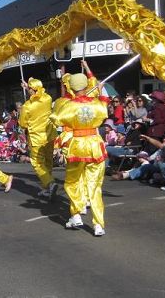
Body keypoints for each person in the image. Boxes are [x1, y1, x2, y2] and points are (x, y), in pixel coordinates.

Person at [50, 66, 109, 237]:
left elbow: (55, 119)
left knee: (72, 182)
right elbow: (104, 106)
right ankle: (99, 225)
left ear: (71, 86)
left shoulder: (69, 105)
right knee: (95, 186)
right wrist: (100, 93)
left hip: (77, 145)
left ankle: (76, 214)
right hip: (94, 144)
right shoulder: (96, 102)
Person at [18, 77, 59, 199]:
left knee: (37, 163)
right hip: (49, 135)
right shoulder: (48, 98)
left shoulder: (27, 106)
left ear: (32, 90)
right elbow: (40, 94)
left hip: (36, 138)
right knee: (48, 162)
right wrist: (28, 87)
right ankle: (47, 187)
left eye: (30, 88)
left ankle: (50, 183)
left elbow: (23, 124)